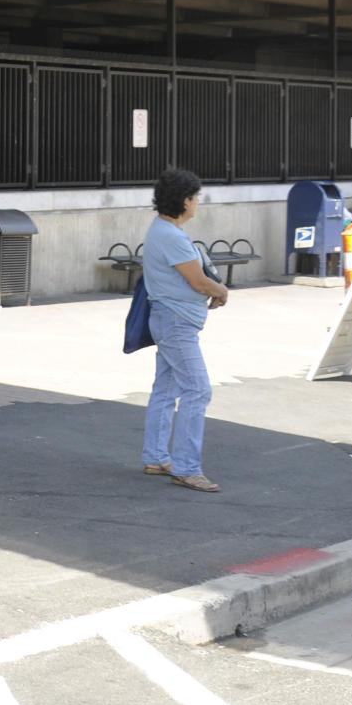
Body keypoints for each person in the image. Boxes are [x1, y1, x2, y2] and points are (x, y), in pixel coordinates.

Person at [141, 166, 230, 493]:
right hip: (176, 323)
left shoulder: (161, 231)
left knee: (166, 390)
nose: (197, 204)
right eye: (195, 198)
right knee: (198, 389)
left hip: (170, 320)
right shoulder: (172, 236)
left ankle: (156, 457)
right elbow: (197, 280)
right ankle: (186, 467)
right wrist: (221, 291)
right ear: (184, 201)